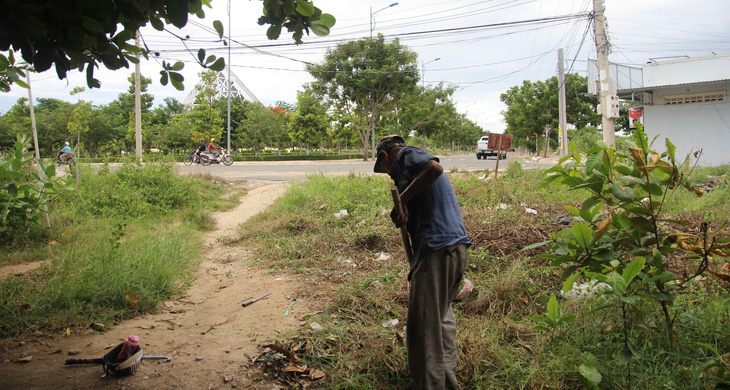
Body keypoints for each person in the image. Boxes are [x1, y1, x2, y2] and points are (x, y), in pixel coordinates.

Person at [374, 134, 471, 390]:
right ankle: (447, 378)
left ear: (385, 157)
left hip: (437, 250)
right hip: (454, 248)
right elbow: (425, 189)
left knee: (423, 331)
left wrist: (402, 199)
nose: (391, 176)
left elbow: (434, 168)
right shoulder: (413, 176)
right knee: (440, 320)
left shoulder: (405, 156)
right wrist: (406, 212)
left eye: (386, 170)